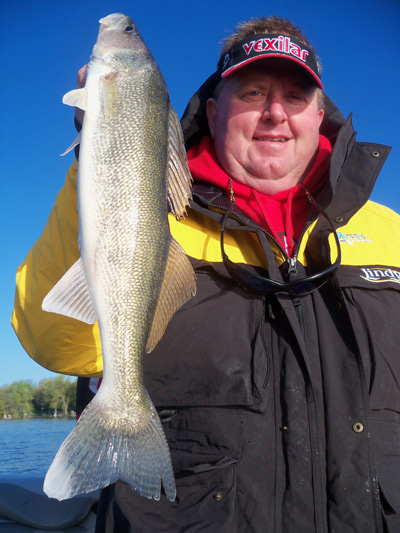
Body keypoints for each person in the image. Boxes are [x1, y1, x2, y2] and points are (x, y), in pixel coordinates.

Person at [11, 14, 400, 533]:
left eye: (296, 95)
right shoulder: (158, 222)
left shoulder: (391, 231)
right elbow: (56, 344)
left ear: (319, 113)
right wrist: (100, 155)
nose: (275, 114)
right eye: (254, 93)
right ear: (215, 111)